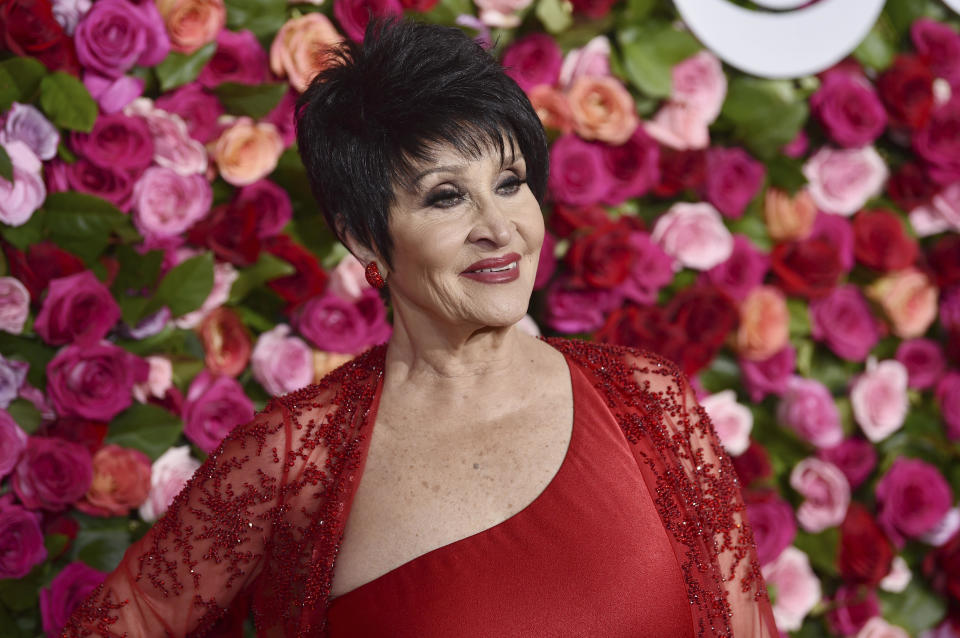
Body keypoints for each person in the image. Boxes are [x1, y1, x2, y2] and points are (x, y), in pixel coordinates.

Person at [65, 19, 777, 638]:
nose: (498, 229)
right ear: (364, 238)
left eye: (509, 182)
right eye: (446, 197)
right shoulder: (293, 461)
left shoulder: (646, 402)